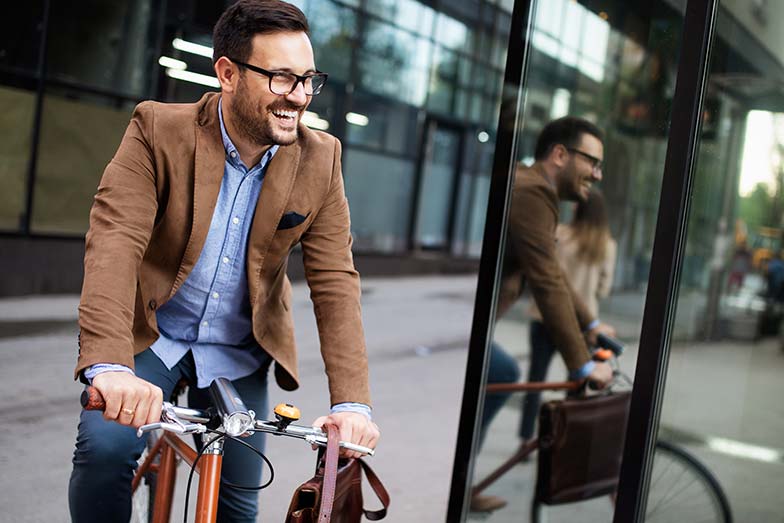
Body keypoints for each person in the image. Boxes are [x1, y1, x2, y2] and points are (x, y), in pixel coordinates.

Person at [68, 2, 379, 522]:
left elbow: (335, 284)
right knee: (105, 450)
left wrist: (353, 404)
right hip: (154, 333)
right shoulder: (157, 129)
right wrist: (110, 367)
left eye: (308, 79)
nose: (299, 96)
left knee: (238, 500)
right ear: (228, 73)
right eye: (281, 79)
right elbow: (114, 241)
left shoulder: (320, 158)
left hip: (239, 347)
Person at [472, 116, 616, 513]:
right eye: (593, 162)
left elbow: (553, 271)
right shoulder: (531, 193)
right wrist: (583, 366)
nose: (597, 175)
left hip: (478, 319)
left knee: (503, 373)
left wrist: (589, 323)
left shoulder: (536, 191)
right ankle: (462, 479)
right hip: (469, 324)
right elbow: (547, 280)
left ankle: (464, 478)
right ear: (559, 155)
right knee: (502, 372)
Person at [519, 188, 617, 442]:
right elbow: (604, 288)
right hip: (583, 325)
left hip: (544, 317)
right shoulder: (606, 246)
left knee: (535, 379)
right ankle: (563, 441)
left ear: (581, 208)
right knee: (577, 382)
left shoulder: (560, 234)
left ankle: (526, 437)